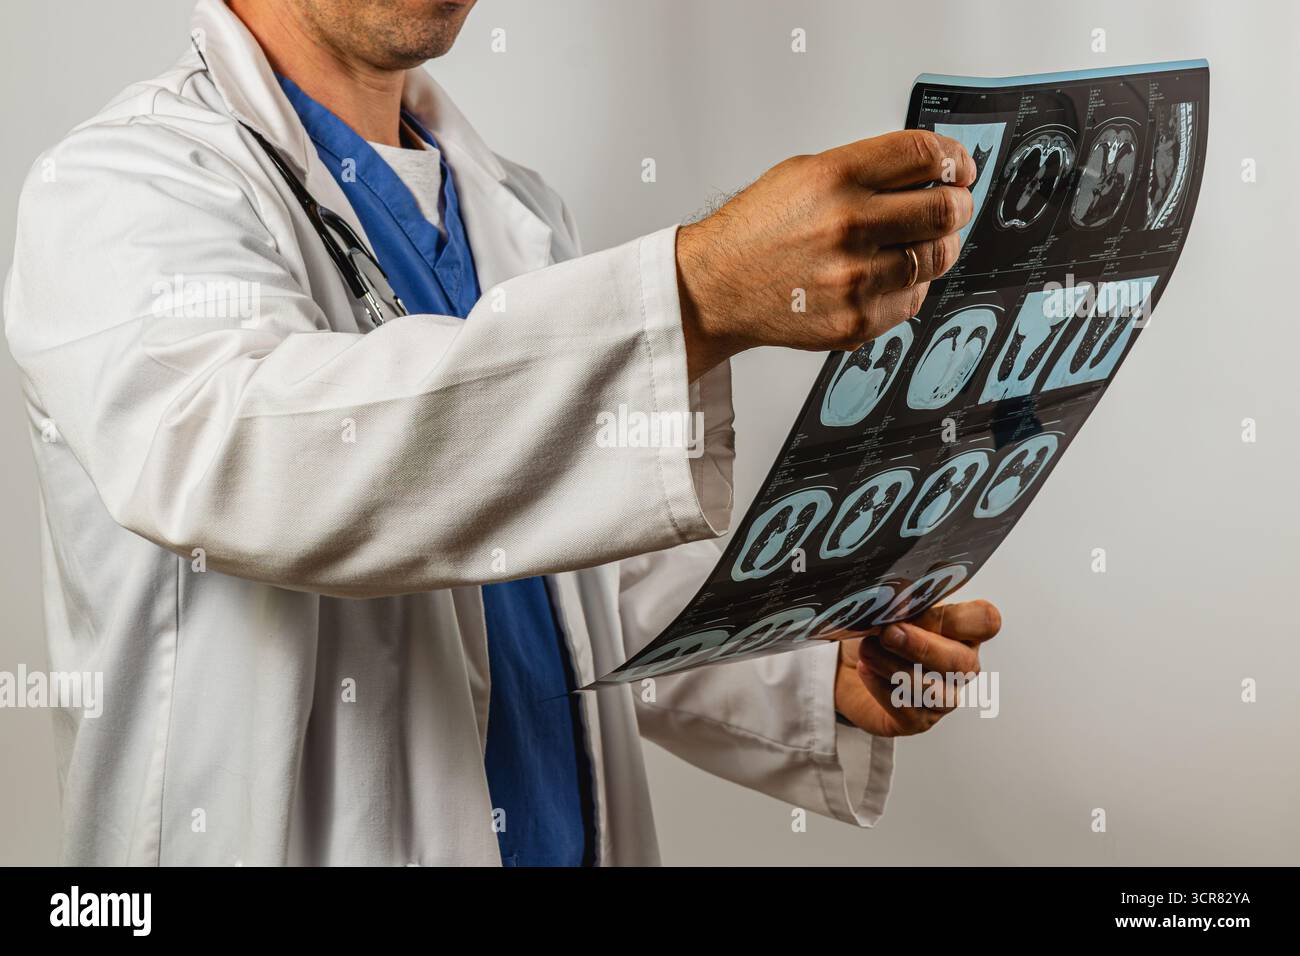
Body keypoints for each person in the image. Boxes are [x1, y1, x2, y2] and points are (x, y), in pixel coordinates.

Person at [3, 0, 1001, 866]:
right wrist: (688, 294)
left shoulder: (517, 212)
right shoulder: (123, 184)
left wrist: (801, 667)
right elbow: (252, 461)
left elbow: (573, 589)